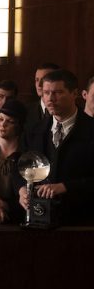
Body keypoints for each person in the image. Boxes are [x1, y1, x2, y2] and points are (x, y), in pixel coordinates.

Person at [19, 69, 94, 225]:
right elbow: (18, 166)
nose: (50, 99)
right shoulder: (33, 130)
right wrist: (21, 190)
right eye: (46, 93)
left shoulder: (90, 128)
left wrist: (65, 187)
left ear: (75, 94)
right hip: (39, 219)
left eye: (58, 92)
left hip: (82, 220)